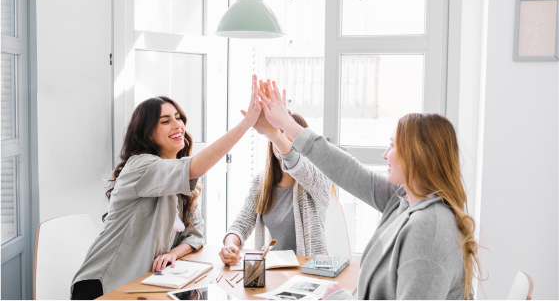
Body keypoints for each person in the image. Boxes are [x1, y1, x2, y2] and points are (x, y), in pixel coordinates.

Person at [257, 81, 482, 301]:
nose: (385, 154)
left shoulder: (429, 227)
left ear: (416, 155)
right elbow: (348, 171)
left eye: (393, 145)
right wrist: (284, 126)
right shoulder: (403, 200)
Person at [71, 76, 262, 300]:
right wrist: (246, 124)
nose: (177, 125)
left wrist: (173, 253)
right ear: (148, 133)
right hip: (105, 285)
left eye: (178, 118)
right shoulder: (141, 166)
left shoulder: (176, 179)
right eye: (165, 121)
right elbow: (196, 168)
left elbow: (196, 236)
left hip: (143, 284)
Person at [219, 81, 333, 265]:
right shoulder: (261, 181)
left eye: (291, 134)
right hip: (276, 270)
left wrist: (275, 134)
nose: (285, 139)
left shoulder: (317, 177)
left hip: (312, 273)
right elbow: (242, 223)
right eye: (280, 133)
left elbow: (298, 166)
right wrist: (230, 245)